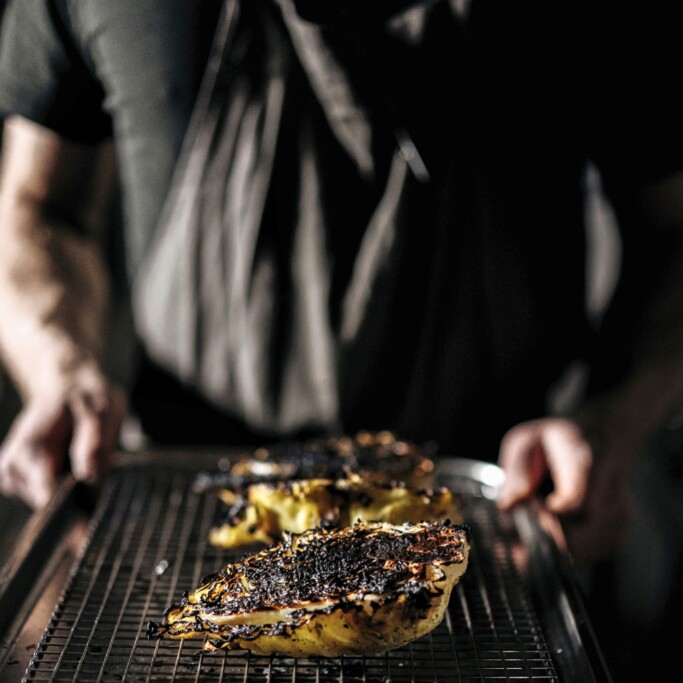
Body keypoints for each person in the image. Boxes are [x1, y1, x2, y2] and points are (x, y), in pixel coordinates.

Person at [0, 2, 681, 596]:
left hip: (498, 527)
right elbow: (37, 207)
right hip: (186, 527)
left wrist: (612, 424)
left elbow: (672, 237)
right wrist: (60, 370)